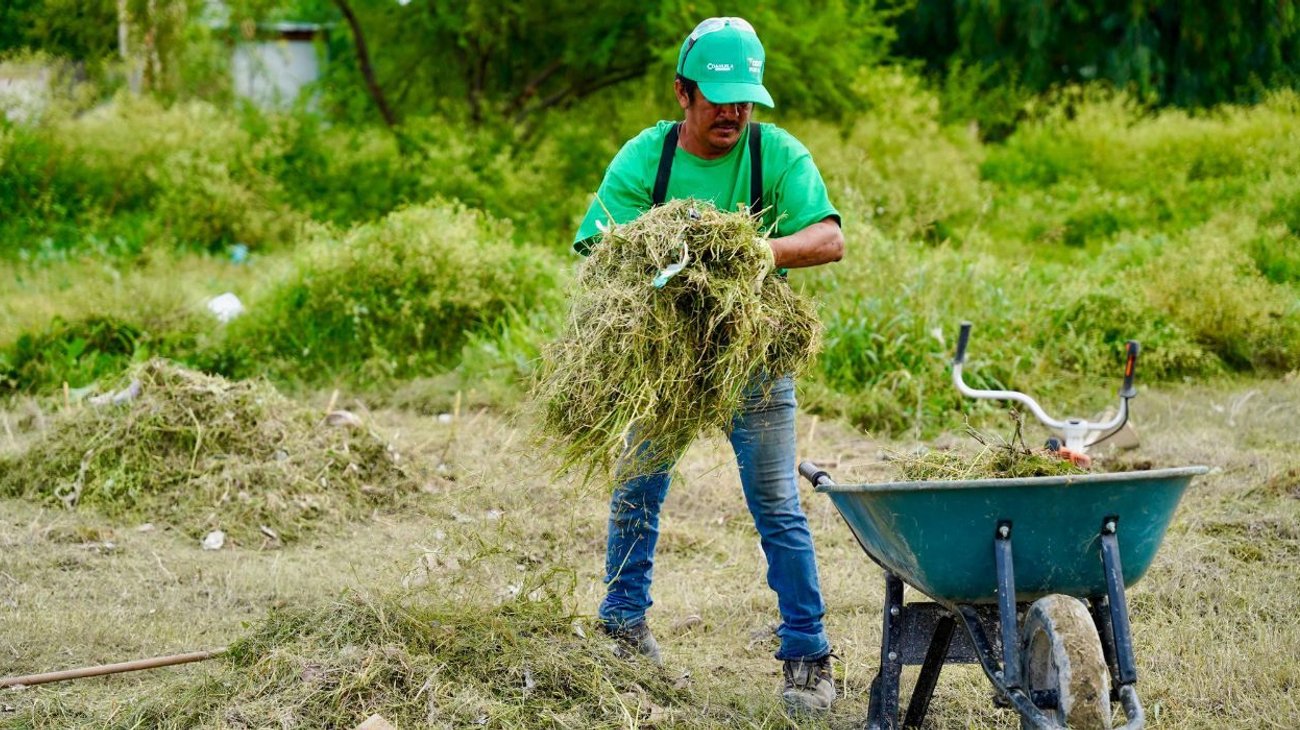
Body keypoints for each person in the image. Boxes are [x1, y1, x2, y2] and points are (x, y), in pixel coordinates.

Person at [571, 17, 844, 715]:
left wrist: (761, 253)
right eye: (718, 98)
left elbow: (829, 237)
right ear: (682, 93)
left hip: (750, 355)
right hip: (662, 358)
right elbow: (593, 242)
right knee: (637, 488)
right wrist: (662, 256)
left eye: (744, 99)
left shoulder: (773, 153)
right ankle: (623, 629)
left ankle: (807, 656)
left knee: (778, 504)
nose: (732, 112)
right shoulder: (648, 157)